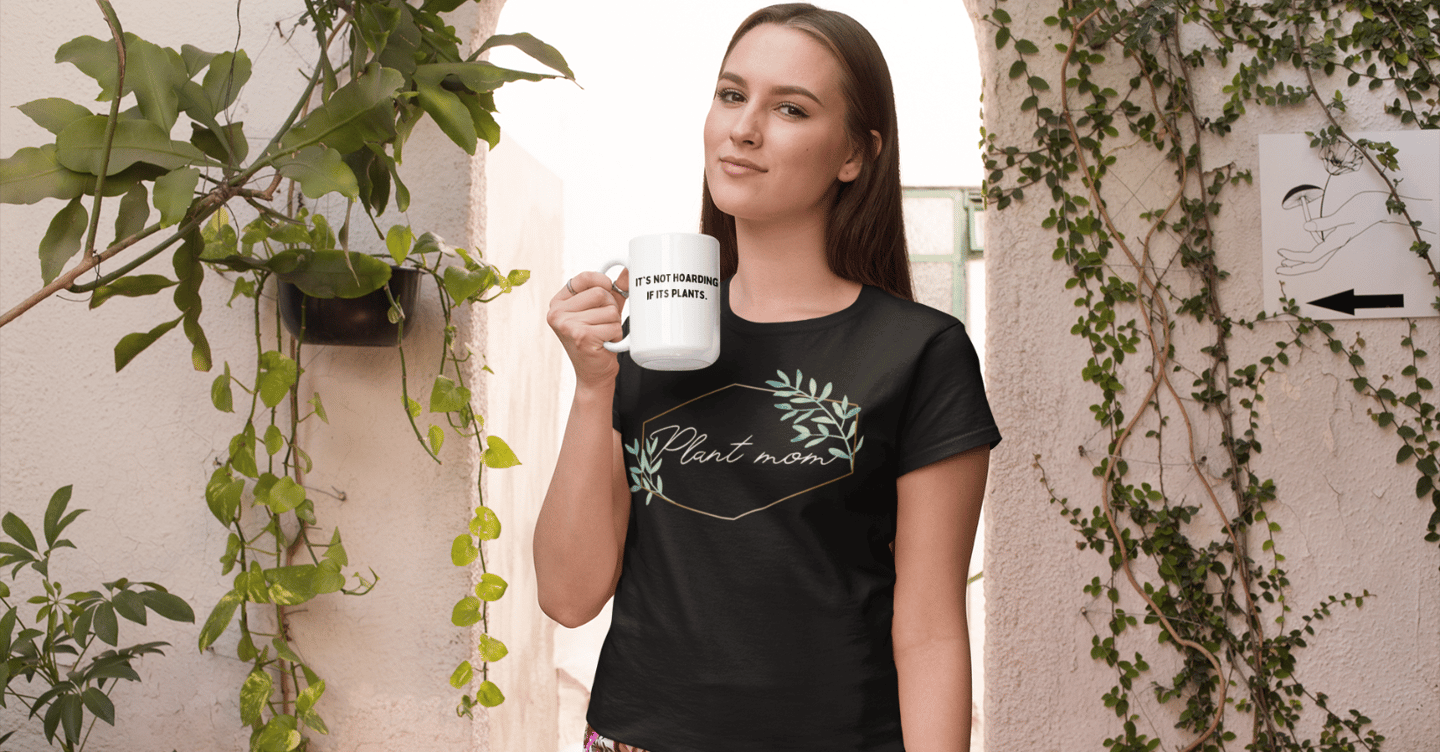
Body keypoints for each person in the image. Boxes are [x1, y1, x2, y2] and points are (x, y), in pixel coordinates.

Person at [535, 4, 1001, 751]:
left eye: (790, 109)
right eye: (731, 95)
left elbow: (929, 630)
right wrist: (594, 388)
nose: (744, 129)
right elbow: (568, 596)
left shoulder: (919, 352)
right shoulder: (645, 338)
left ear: (854, 154)